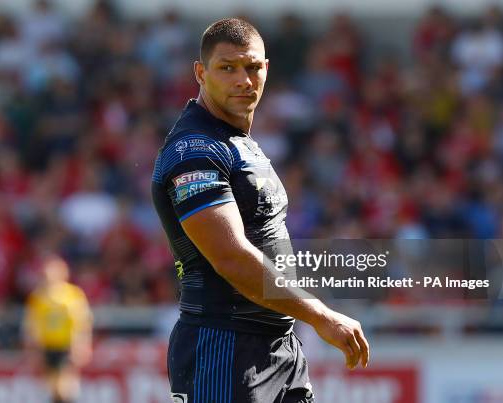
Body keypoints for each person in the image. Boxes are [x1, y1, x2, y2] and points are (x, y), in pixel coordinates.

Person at [151, 18, 369, 402]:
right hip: (221, 347)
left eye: (252, 67)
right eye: (227, 68)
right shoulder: (195, 150)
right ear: (200, 73)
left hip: (279, 349)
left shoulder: (240, 142)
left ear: (266, 69)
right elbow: (231, 258)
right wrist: (322, 315)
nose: (243, 80)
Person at [23, 255, 93, 403]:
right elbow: (32, 324)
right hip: (47, 346)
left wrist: (81, 344)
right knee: (51, 386)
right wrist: (33, 347)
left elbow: (82, 322)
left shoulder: (73, 295)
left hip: (65, 345)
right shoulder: (38, 297)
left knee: (64, 385)